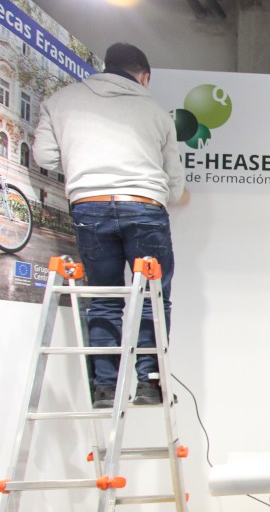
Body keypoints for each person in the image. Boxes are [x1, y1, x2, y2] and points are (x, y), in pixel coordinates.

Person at [32, 42, 185, 408]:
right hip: (144, 206)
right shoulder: (155, 112)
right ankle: (149, 383)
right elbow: (175, 183)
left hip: (90, 205)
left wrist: (85, 166)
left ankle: (104, 387)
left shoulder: (60, 101)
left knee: (102, 298)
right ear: (144, 76)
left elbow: (44, 156)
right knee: (151, 295)